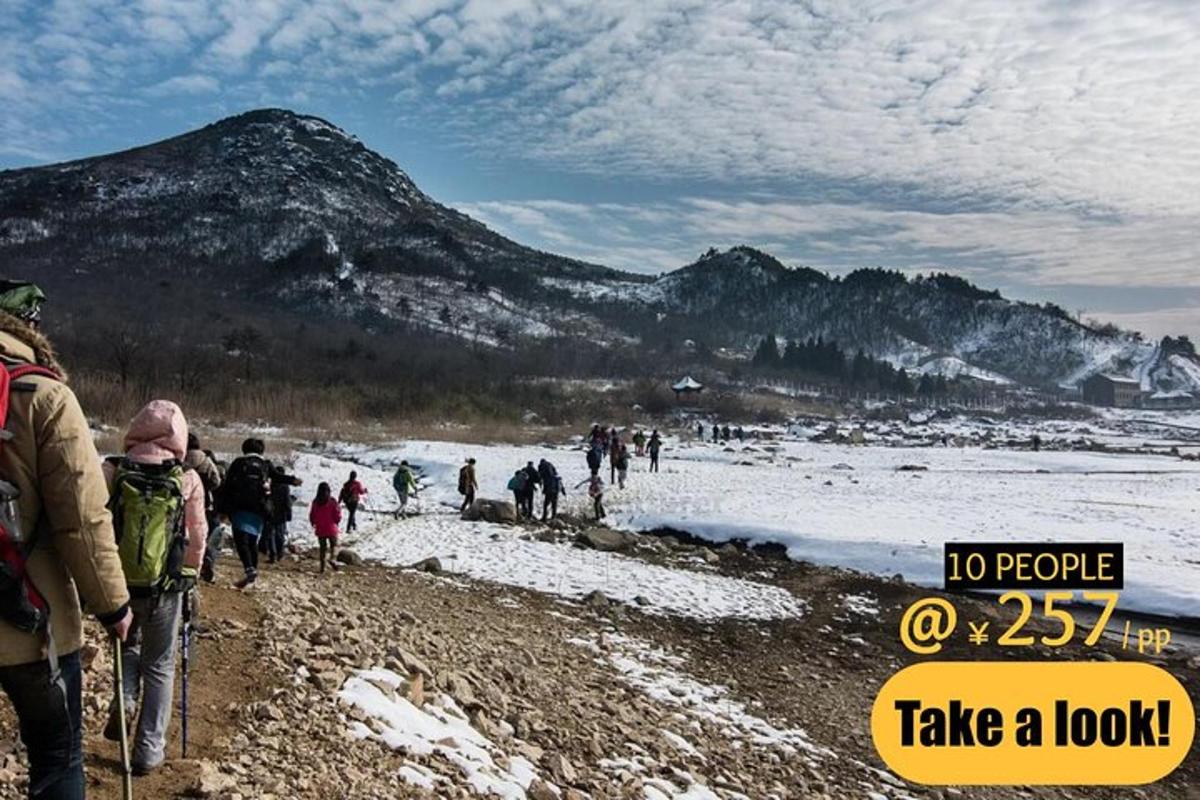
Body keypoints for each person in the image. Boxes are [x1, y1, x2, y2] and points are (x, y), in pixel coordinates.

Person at [0, 282, 132, 799]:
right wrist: (114, 605)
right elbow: (82, 516)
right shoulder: (46, 395)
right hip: (34, 620)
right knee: (56, 760)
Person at [103, 400, 208, 776]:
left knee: (127, 646)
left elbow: (96, 524)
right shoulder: (187, 478)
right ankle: (149, 750)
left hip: (118, 583)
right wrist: (190, 577)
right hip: (165, 586)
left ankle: (126, 697)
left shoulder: (113, 469)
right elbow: (197, 539)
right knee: (161, 665)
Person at [218, 438, 271, 589]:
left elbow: (227, 485)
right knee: (252, 541)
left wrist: (222, 509)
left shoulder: (238, 463)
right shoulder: (265, 465)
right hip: (259, 508)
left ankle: (249, 569)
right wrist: (293, 480)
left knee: (241, 540)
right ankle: (252, 572)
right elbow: (277, 477)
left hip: (239, 507)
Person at [185, 434, 223, 583]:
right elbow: (216, 481)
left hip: (183, 500)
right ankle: (205, 560)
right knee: (202, 533)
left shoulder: (180, 458)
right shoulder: (206, 460)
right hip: (203, 502)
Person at [267, 465, 302, 563]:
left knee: (271, 534)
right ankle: (280, 554)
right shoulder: (284, 486)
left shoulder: (271, 485)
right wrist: (289, 513)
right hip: (281, 513)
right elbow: (287, 501)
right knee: (280, 535)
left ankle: (272, 555)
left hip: (270, 512)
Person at [309, 482, 342, 573]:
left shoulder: (315, 502)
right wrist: (337, 521)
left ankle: (322, 568)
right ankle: (333, 559)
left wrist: (313, 522)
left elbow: (312, 514)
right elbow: (337, 514)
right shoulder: (332, 501)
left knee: (323, 548)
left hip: (320, 528)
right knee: (334, 545)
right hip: (331, 527)